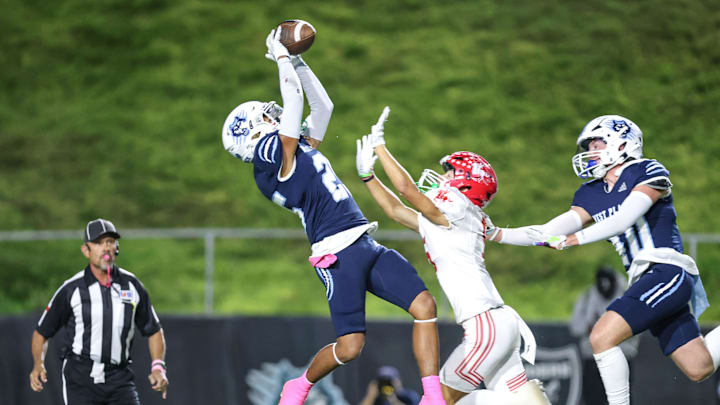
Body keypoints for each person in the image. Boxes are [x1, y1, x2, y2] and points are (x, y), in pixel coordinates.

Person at [220, 28, 445, 405]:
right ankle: (299, 385)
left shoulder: (290, 148)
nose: (272, 115)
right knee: (351, 345)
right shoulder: (269, 158)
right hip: (337, 254)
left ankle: (433, 398)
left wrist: (298, 60)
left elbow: (322, 107)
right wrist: (279, 56)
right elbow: (292, 104)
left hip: (363, 241)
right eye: (265, 115)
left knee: (425, 305)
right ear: (252, 131)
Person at [484, 115, 720, 405]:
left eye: (597, 143)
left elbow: (624, 218)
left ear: (622, 143)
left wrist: (576, 239)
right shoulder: (591, 193)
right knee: (699, 367)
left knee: (601, 337)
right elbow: (547, 231)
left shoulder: (646, 170)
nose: (590, 152)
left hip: (666, 270)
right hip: (643, 279)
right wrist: (495, 233)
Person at [354, 108, 550, 405]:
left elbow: (407, 190)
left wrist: (381, 147)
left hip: (485, 325)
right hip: (501, 323)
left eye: (451, 172)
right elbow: (395, 210)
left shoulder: (456, 209)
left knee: (440, 400)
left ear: (468, 182)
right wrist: (368, 177)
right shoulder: (454, 219)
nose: (443, 177)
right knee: (525, 400)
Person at [29, 218, 169, 404]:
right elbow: (41, 332)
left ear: (116, 247)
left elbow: (153, 330)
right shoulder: (72, 289)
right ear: (86, 250)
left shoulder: (132, 285)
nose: (105, 248)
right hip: (81, 378)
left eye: (110, 241)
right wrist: (38, 365)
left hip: (120, 378)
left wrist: (158, 366)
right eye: (98, 242)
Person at [569, 266, 638, 405]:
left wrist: (608, 330)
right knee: (593, 398)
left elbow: (637, 325)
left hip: (620, 355)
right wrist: (591, 327)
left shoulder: (627, 296)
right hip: (593, 359)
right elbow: (575, 327)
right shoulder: (588, 297)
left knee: (621, 399)